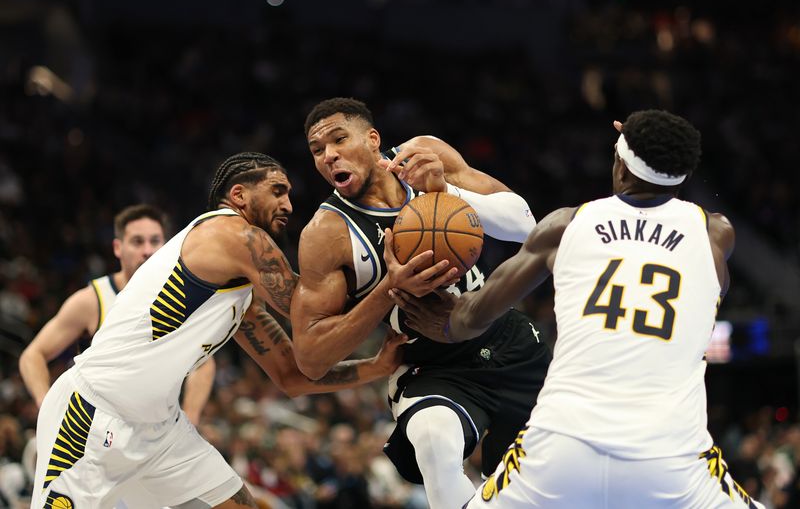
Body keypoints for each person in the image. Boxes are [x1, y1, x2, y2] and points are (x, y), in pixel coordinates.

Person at [30, 152, 407, 509]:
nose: (289, 205)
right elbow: (313, 312)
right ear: (238, 195)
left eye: (290, 194)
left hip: (160, 431)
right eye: (277, 190)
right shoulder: (233, 233)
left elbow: (293, 376)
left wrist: (376, 366)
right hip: (92, 414)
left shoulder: (241, 294)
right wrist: (391, 283)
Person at [445, 110, 764, 508]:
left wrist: (430, 300)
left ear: (621, 167)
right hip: (667, 456)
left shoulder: (565, 226)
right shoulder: (716, 233)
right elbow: (665, 163)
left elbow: (467, 320)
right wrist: (635, 144)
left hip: (562, 446)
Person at [292, 97, 551, 509]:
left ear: (373, 139)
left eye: (339, 140)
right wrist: (386, 290)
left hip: (504, 338)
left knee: (541, 486)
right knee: (434, 441)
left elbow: (526, 227)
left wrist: (447, 191)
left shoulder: (424, 155)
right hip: (429, 365)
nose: (329, 155)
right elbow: (309, 358)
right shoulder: (327, 233)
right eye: (318, 150)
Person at [19, 204, 216, 426]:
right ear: (117, 248)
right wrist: (47, 407)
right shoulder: (92, 300)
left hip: (155, 430)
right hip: (97, 430)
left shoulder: (179, 298)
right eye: (137, 241)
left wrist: (191, 415)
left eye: (155, 241)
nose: (148, 250)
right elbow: (32, 355)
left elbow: (203, 362)